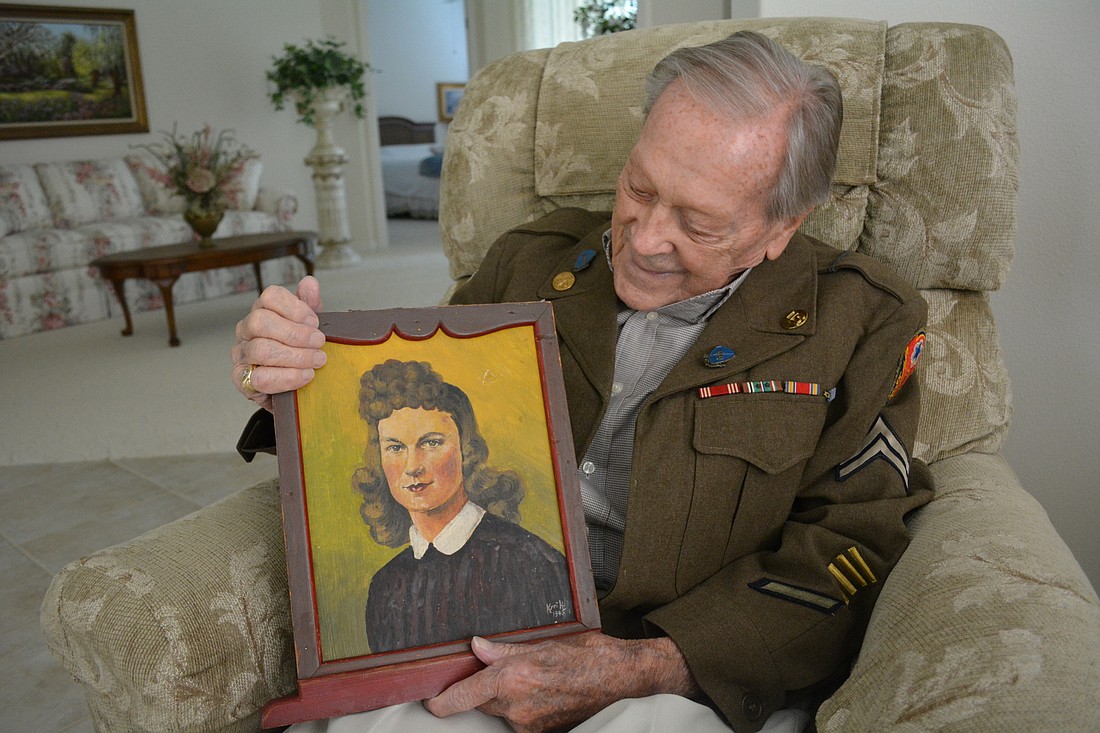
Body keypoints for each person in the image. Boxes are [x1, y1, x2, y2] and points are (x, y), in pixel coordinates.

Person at [232, 31, 933, 733]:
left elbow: (850, 549)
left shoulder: (861, 322)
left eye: (697, 222)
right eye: (639, 187)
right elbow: (407, 414)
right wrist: (293, 379)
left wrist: (648, 664)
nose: (646, 237)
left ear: (784, 225)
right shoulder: (528, 262)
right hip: (476, 637)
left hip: (677, 677)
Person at [353, 359, 574, 653]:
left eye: (430, 443)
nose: (412, 467)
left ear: (466, 451)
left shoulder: (534, 563)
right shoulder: (384, 586)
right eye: (395, 448)